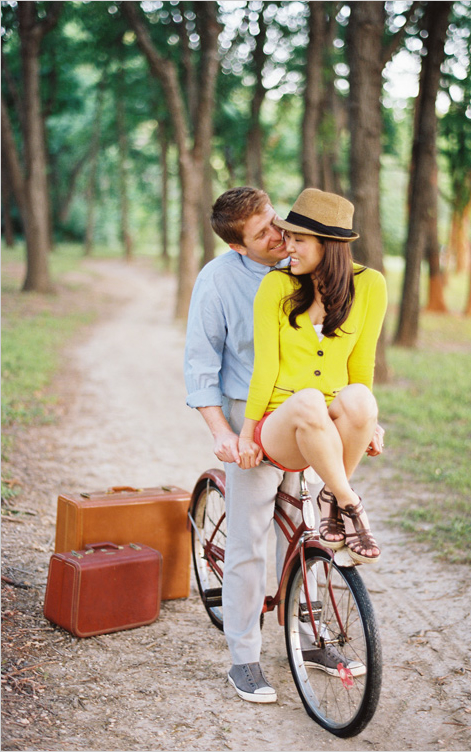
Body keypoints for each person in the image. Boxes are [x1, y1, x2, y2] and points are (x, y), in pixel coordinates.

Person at [185, 187, 327, 705]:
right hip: (249, 418)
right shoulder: (218, 281)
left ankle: (313, 639)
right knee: (250, 540)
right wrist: (223, 434)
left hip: (304, 412)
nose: (278, 233)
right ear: (240, 246)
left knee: (309, 524)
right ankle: (243, 658)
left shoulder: (305, 262)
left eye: (275, 219)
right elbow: (201, 364)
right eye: (263, 232)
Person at [237, 188, 387, 564]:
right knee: (305, 401)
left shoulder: (370, 285)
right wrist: (245, 432)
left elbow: (361, 365)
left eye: (298, 240)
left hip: (329, 423)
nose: (288, 247)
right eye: (286, 236)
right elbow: (265, 365)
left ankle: (330, 497)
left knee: (362, 400)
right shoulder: (276, 284)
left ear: (329, 245)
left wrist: (370, 422)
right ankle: (349, 500)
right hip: (280, 425)